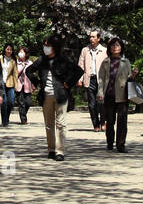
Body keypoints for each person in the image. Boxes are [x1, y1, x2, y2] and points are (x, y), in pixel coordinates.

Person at [26, 33, 83, 161]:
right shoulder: (42, 60)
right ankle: (51, 149)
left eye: (48, 45)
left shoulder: (64, 59)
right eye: (44, 45)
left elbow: (78, 71)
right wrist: (36, 82)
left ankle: (60, 151)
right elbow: (28, 70)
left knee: (61, 123)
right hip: (46, 96)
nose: (45, 47)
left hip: (61, 95)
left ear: (55, 47)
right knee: (49, 124)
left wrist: (68, 83)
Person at [97, 36, 132, 152]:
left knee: (122, 121)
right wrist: (100, 91)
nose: (115, 47)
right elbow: (101, 78)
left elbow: (129, 78)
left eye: (117, 45)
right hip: (109, 94)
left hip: (122, 95)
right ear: (109, 48)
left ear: (121, 48)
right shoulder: (106, 61)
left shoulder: (125, 62)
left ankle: (121, 144)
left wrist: (134, 75)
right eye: (113, 45)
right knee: (110, 121)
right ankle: (110, 142)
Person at [78, 29, 106, 132]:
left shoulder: (104, 51)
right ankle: (96, 124)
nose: (91, 39)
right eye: (90, 37)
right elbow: (80, 66)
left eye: (93, 37)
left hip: (101, 80)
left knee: (102, 103)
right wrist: (80, 79)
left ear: (98, 38)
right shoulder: (85, 50)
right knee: (92, 104)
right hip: (89, 79)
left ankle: (103, 122)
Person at [0, 43, 18, 127]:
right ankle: (4, 121)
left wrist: (16, 85)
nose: (9, 51)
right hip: (1, 83)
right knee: (3, 102)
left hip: (10, 83)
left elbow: (15, 74)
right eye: (7, 49)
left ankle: (7, 117)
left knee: (11, 102)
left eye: (10, 50)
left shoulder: (13, 60)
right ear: (4, 49)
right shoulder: (0, 58)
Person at [15, 46, 32, 124]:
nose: (20, 54)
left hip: (27, 85)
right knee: (21, 103)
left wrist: (34, 86)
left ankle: (23, 114)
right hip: (18, 85)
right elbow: (15, 73)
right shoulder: (15, 62)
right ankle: (23, 119)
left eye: (22, 52)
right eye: (19, 52)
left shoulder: (30, 63)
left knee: (28, 102)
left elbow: (32, 75)